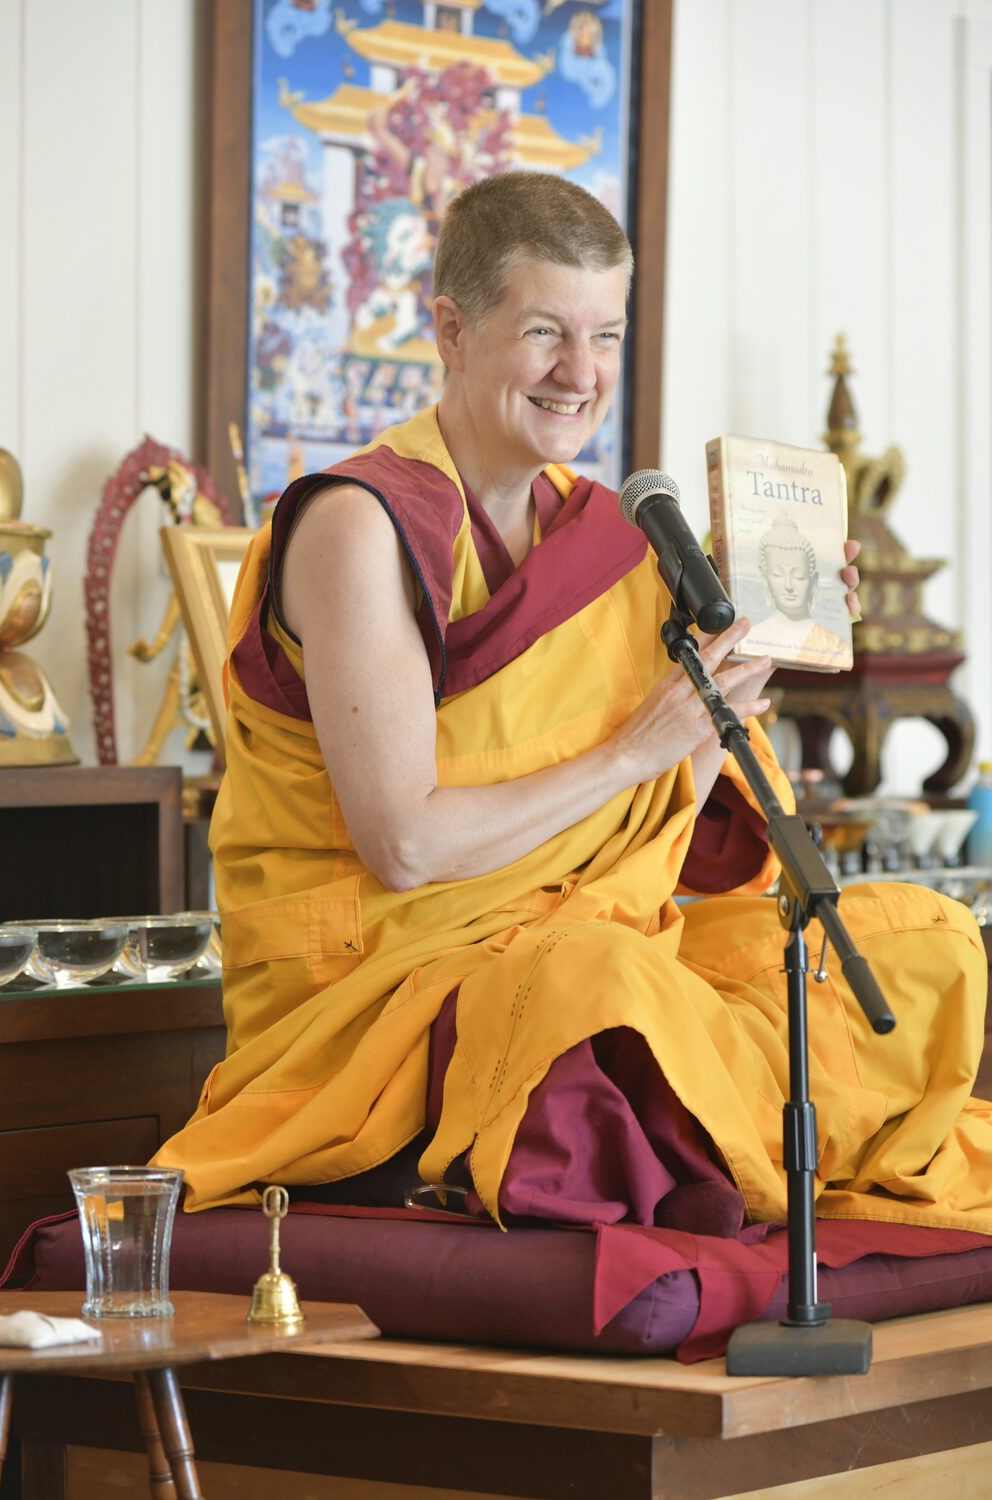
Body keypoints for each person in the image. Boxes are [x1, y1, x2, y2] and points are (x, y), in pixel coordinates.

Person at [156, 172, 992, 1240]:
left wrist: (728, 689)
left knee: (916, 943)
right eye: (545, 331)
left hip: (580, 951)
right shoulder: (360, 525)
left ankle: (695, 1158)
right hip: (380, 998)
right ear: (451, 331)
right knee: (596, 982)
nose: (580, 374)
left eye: (604, 337)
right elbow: (404, 843)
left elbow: (652, 837)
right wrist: (632, 750)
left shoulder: (613, 540)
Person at [744, 512, 849, 664]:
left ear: (813, 580)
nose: (788, 586)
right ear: (765, 576)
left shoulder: (833, 646)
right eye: (777, 574)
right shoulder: (749, 639)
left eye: (799, 576)